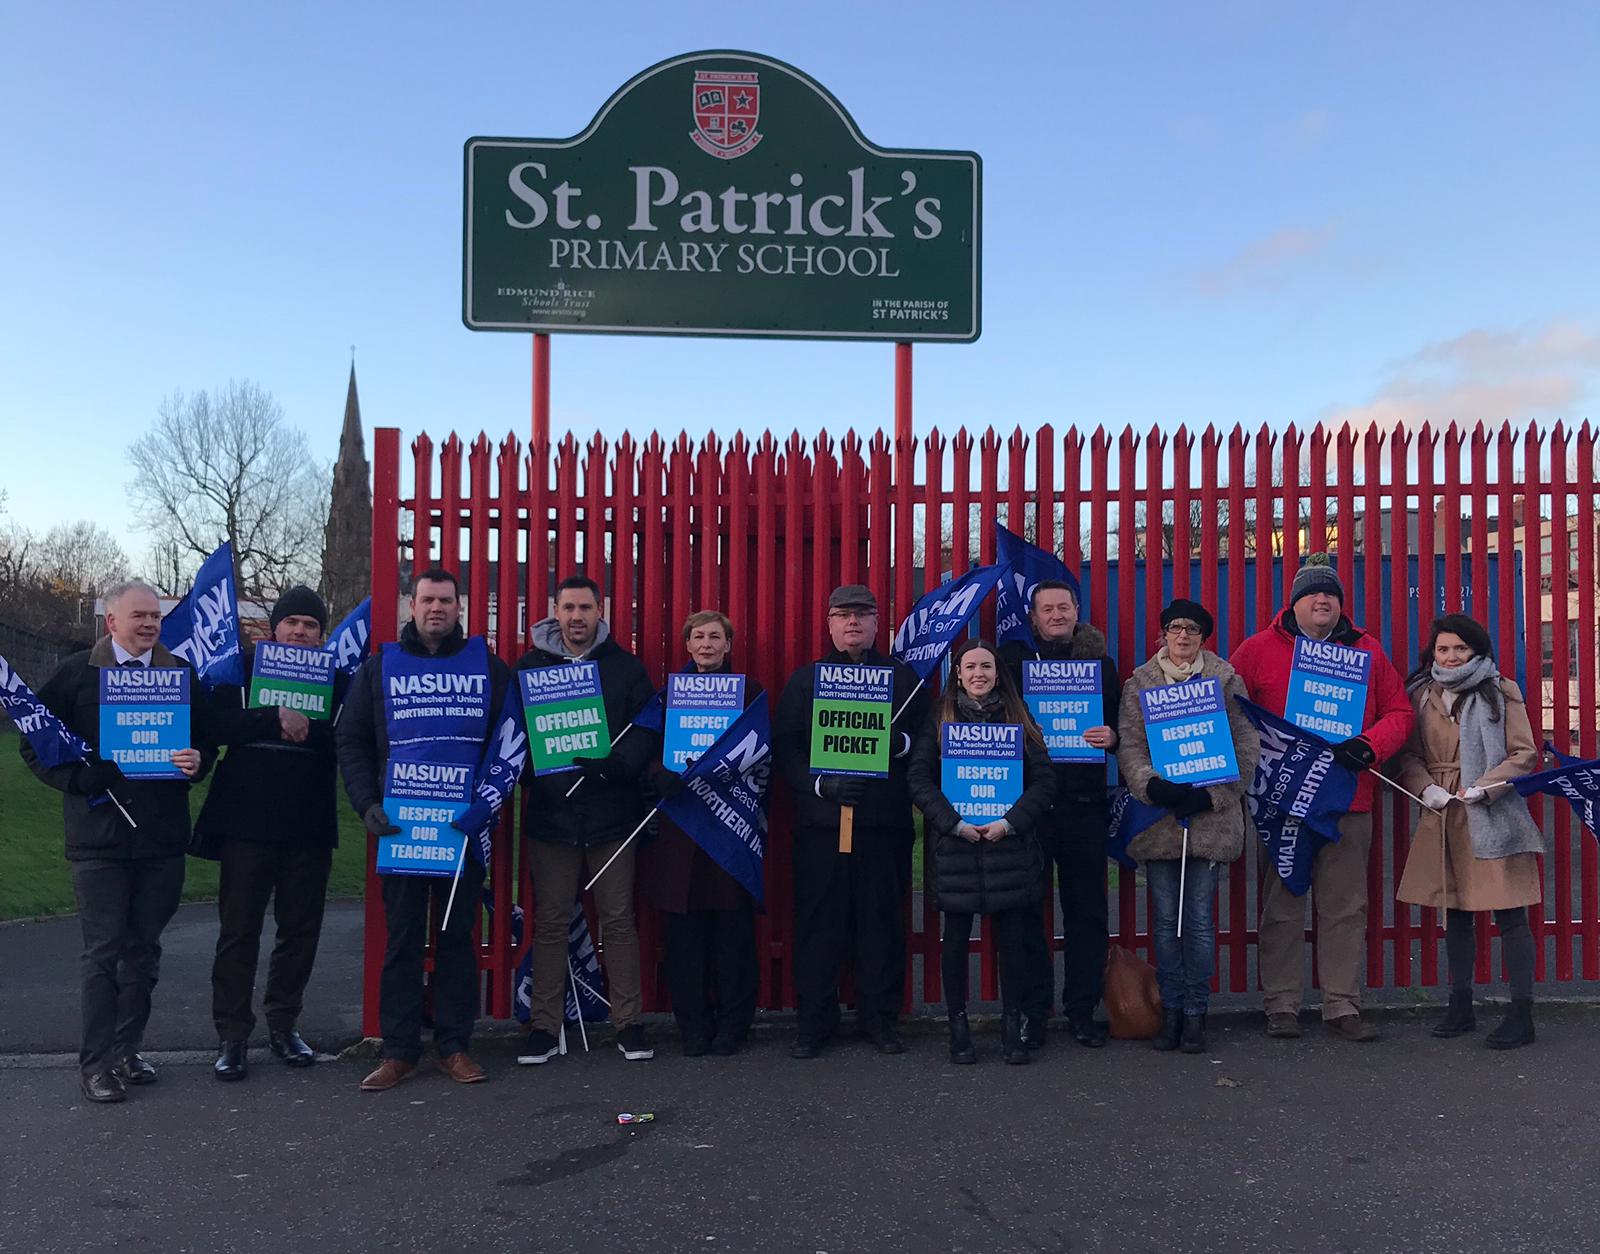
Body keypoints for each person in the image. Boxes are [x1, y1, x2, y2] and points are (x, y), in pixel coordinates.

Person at [19, 579, 209, 1104]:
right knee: (102, 955)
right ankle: (96, 1065)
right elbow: (34, 743)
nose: (150, 624)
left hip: (162, 840)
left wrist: (198, 762)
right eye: (139, 616)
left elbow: (202, 744)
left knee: (143, 953)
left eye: (156, 616)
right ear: (111, 622)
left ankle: (128, 1051)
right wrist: (80, 781)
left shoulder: (180, 676)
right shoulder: (79, 673)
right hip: (99, 842)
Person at [337, 568, 511, 1091]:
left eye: (447, 600)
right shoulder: (378, 670)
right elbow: (352, 743)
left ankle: (455, 1046)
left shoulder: (488, 668)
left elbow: (510, 742)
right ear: (411, 606)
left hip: (463, 830)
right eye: (427, 599)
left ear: (459, 608)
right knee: (404, 941)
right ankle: (399, 1051)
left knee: (458, 940)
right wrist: (367, 803)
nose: (437, 608)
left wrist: (488, 803)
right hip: (401, 833)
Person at [1231, 553, 1413, 1042]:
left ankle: (1341, 1004)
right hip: (1283, 801)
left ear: (1339, 605)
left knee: (1344, 905)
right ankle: (1282, 1004)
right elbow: (1228, 710)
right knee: (1283, 903)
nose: (1322, 600)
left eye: (1330, 594)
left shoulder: (1368, 651)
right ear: (1295, 602)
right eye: (1313, 593)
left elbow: (1399, 711)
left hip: (1346, 800)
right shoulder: (1256, 650)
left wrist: (1370, 745)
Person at [773, 583, 929, 1059]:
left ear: (878, 623)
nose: (853, 622)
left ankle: (879, 1019)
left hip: (883, 825)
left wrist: (894, 746)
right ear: (829, 624)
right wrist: (821, 786)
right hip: (823, 827)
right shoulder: (807, 681)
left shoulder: (904, 681)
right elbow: (787, 746)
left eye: (863, 614)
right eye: (843, 615)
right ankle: (814, 1023)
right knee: (819, 924)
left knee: (880, 923)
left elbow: (926, 739)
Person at [198, 586, 347, 1081]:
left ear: (322, 636)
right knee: (238, 931)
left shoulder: (339, 680)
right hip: (246, 823)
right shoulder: (238, 670)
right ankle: (232, 1035)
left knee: (300, 931)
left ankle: (284, 1025)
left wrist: (309, 721)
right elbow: (212, 725)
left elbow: (350, 740)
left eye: (310, 626)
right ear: (274, 629)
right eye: (292, 624)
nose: (300, 632)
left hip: (307, 824)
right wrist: (272, 716)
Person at [513, 575, 659, 1065]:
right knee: (551, 923)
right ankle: (543, 1027)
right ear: (555, 610)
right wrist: (541, 776)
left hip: (612, 816)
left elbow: (646, 728)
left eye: (586, 608)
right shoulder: (530, 667)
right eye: (569, 607)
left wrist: (617, 767)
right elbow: (514, 736)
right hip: (552, 817)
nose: (577, 616)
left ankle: (629, 1024)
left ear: (602, 611)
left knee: (618, 922)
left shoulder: (626, 668)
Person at [1394, 614, 1544, 1049]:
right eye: (1443, 649)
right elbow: (1408, 755)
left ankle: (1522, 1013)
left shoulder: (1501, 691)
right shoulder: (1421, 694)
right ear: (1433, 652)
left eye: (1460, 648)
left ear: (1477, 651)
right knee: (1455, 912)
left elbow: (1524, 754)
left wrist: (1486, 788)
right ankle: (1461, 1005)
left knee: (1511, 914)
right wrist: (1426, 788)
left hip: (1492, 810)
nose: (1451, 656)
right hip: (1442, 811)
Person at [1116, 599, 1258, 1054]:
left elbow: (1246, 745)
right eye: (1174, 627)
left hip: (1211, 821)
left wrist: (1214, 794)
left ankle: (1196, 1011)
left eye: (1192, 629)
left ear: (1203, 637)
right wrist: (1150, 786)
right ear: (1162, 635)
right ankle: (1170, 1008)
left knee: (1198, 921)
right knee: (1164, 922)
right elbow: (1131, 745)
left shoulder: (1226, 681)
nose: (1182, 636)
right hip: (1161, 821)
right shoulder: (1140, 684)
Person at [908, 638, 1056, 1065]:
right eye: (970, 666)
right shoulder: (939, 717)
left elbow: (1044, 781)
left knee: (1012, 943)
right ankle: (958, 1027)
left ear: (997, 673)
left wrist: (1009, 823)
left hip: (1008, 849)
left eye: (986, 667)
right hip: (956, 848)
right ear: (957, 673)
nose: (978, 674)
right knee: (954, 942)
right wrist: (953, 823)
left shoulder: (1018, 716)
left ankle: (1013, 1024)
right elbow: (918, 779)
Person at [998, 578, 1122, 1049]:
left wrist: (1111, 737)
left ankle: (1082, 1010)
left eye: (1063, 607)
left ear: (1077, 611)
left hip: (1084, 807)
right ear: (1032, 617)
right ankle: (1033, 1011)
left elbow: (1122, 725)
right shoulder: (1012, 663)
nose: (1055, 615)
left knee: (1087, 912)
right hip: (1029, 808)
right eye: (1046, 608)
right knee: (1029, 910)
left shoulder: (1102, 668)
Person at [640, 610, 765, 1056]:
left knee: (733, 931)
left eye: (716, 637)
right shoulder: (668, 695)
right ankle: (692, 1025)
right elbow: (646, 749)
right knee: (684, 934)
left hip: (729, 825)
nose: (707, 644)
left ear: (728, 645)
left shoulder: (749, 694)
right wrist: (659, 775)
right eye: (699, 637)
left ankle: (734, 1024)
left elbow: (762, 752)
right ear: (687, 646)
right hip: (680, 827)